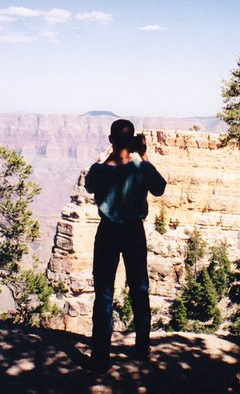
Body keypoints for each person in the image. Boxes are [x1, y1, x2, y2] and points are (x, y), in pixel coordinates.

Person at [84, 119, 167, 372]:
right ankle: (141, 348)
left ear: (110, 140)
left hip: (107, 233)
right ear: (132, 141)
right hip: (134, 233)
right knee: (139, 288)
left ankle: (100, 355)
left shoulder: (98, 170)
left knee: (104, 292)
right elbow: (160, 189)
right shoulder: (142, 169)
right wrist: (142, 154)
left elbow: (89, 187)